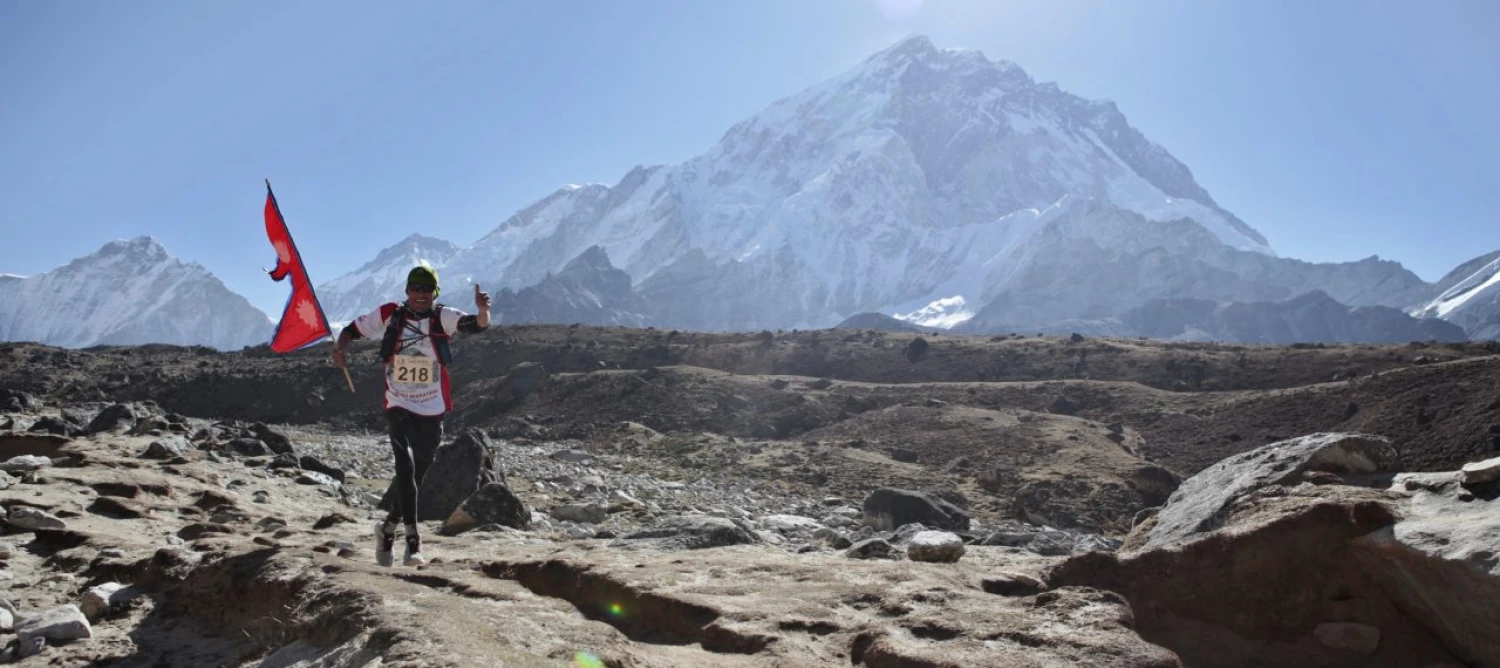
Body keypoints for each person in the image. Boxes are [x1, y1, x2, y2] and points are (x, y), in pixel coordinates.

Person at [330, 264, 491, 567]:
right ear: (406, 290)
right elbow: (351, 331)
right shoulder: (391, 314)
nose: (420, 293)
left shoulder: (443, 316)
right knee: (405, 467)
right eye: (415, 287)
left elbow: (477, 325)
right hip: (398, 403)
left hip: (432, 409)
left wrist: (483, 310)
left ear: (435, 292)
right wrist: (340, 350)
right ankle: (413, 543)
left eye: (426, 288)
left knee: (416, 476)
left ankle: (387, 528)